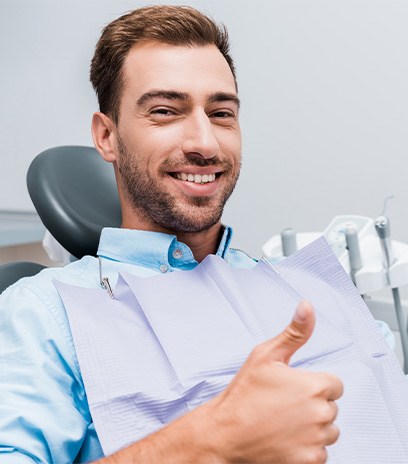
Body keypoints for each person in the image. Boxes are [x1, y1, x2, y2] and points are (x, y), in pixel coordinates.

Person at [0, 5, 343, 463]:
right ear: (107, 136)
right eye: (165, 111)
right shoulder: (42, 315)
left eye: (222, 113)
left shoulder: (306, 292)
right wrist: (204, 441)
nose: (205, 143)